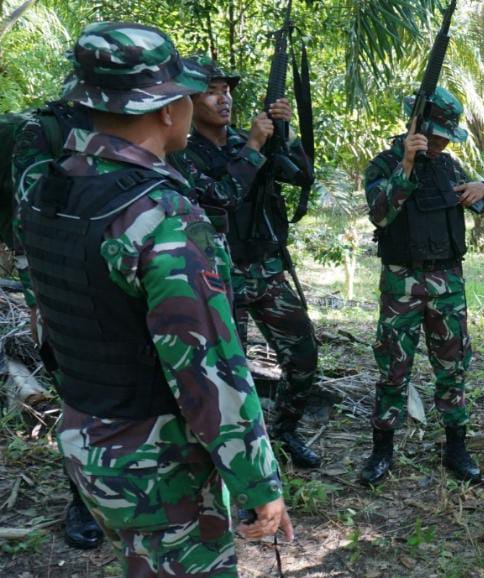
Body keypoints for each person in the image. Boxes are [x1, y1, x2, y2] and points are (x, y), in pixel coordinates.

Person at [21, 22, 291, 575]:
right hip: (159, 464)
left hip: (87, 441)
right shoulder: (163, 218)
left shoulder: (49, 190)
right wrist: (257, 481)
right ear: (168, 109)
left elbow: (50, 321)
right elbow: (209, 367)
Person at [168, 54, 322, 468]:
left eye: (228, 91)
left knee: (304, 357)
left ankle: (285, 431)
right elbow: (221, 196)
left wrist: (284, 137)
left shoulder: (241, 140)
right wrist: (254, 146)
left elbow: (301, 177)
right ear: (187, 101)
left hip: (266, 270)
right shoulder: (180, 152)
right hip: (216, 276)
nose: (224, 100)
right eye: (212, 92)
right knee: (226, 374)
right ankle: (230, 453)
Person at [359, 87, 484, 486]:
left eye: (444, 139)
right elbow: (381, 214)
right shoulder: (385, 165)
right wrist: (405, 162)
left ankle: (456, 446)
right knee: (393, 368)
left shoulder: (449, 167)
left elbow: (482, 203)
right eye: (433, 137)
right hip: (402, 281)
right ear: (414, 127)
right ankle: (382, 449)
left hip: (448, 281)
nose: (439, 145)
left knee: (453, 368)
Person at [9, 99, 104, 550]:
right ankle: (83, 500)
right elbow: (33, 218)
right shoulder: (46, 130)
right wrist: (38, 295)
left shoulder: (151, 119)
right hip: (65, 285)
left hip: (131, 274)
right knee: (78, 390)